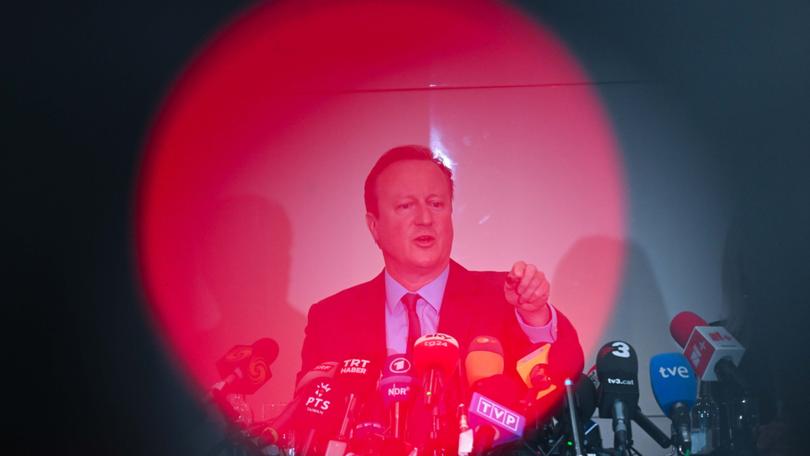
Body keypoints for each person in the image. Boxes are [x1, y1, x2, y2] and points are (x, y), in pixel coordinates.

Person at [298, 145, 583, 434]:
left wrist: (534, 315)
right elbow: (310, 419)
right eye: (405, 206)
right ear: (374, 227)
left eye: (436, 204)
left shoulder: (503, 298)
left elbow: (567, 378)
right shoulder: (332, 318)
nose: (425, 219)